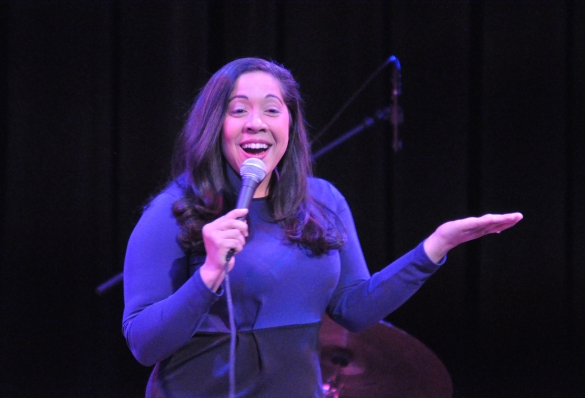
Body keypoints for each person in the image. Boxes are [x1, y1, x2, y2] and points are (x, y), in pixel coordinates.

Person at [122, 57, 522, 398]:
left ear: (291, 125)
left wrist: (435, 246)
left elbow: (354, 310)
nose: (256, 123)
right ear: (214, 125)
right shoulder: (173, 211)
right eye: (238, 110)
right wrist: (208, 274)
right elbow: (143, 344)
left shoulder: (322, 201)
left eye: (272, 109)